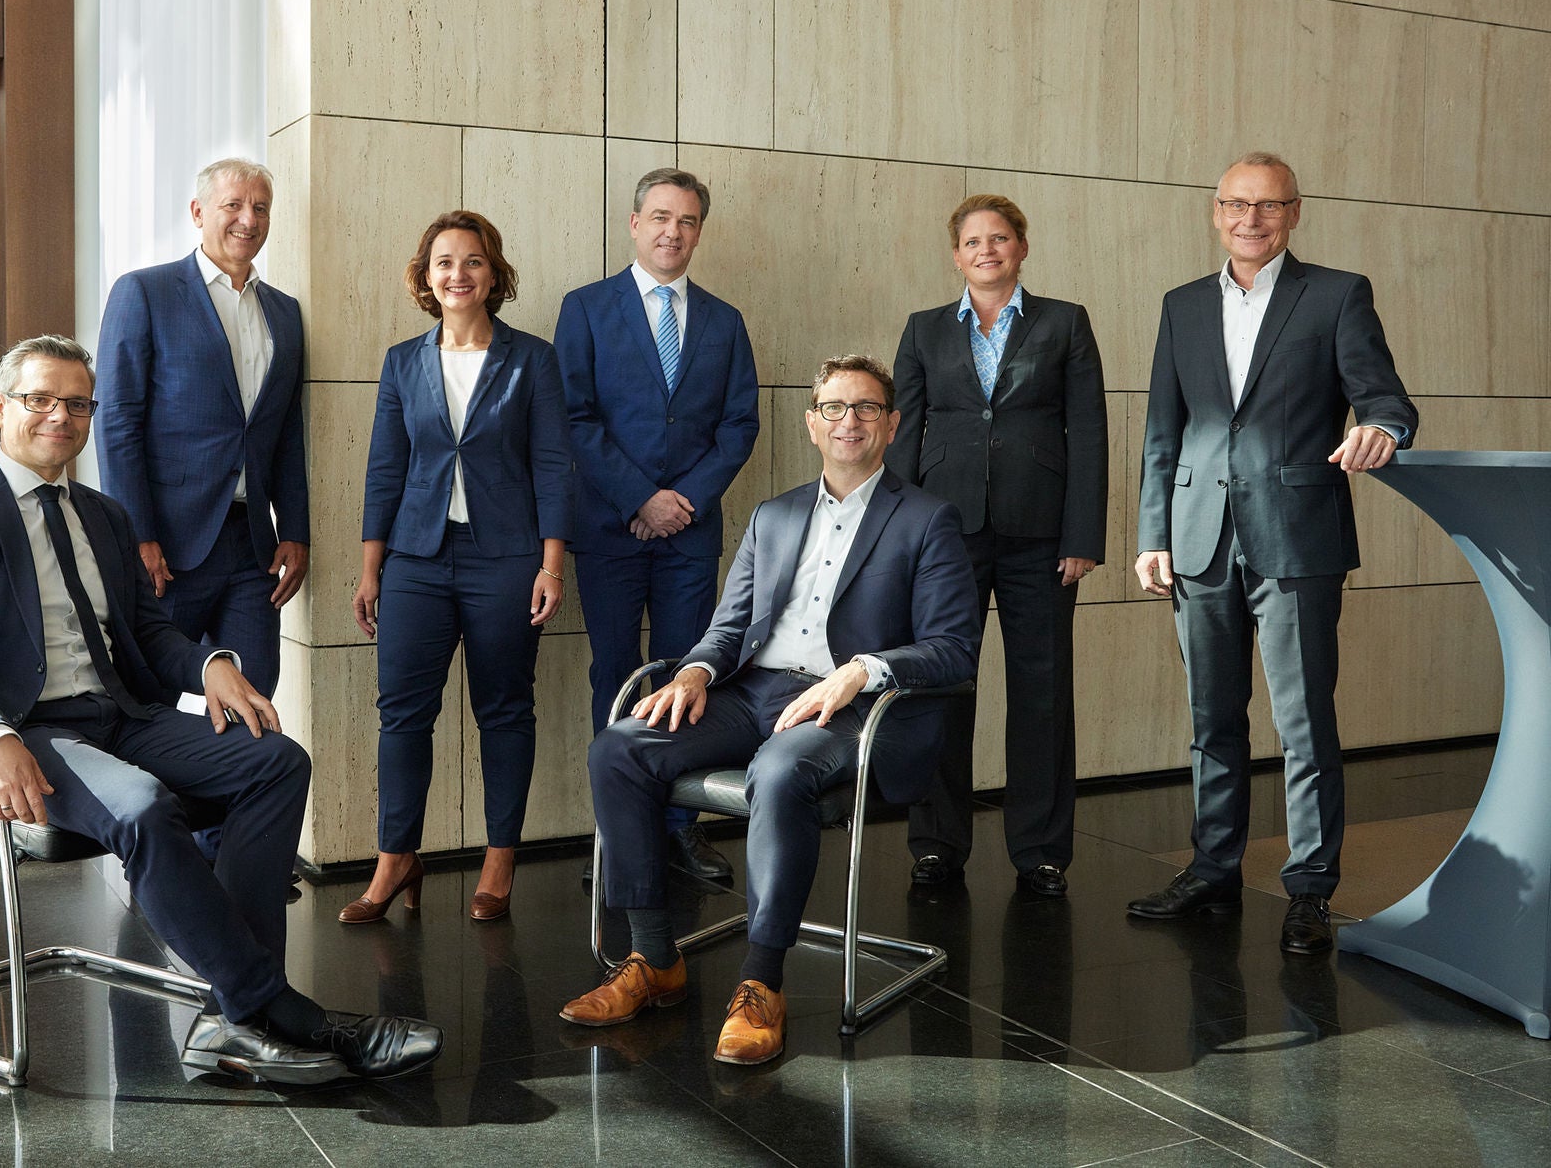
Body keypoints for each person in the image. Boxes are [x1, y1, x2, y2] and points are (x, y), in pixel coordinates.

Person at [0, 335, 441, 1084]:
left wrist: (211, 666)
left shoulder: (104, 516)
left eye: (77, 404)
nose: (60, 416)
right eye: (39, 399)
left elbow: (148, 632)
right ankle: (277, 1013)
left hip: (118, 713)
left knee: (276, 761)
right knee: (143, 806)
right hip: (25, 729)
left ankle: (234, 1015)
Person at [562, 355, 980, 1066]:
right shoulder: (774, 515)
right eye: (835, 408)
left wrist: (860, 670)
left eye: (867, 408)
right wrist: (695, 671)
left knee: (781, 772)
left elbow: (954, 649)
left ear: (892, 424)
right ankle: (654, 958)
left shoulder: (927, 519)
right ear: (813, 423)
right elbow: (729, 627)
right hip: (752, 692)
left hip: (850, 709)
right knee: (621, 748)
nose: (849, 421)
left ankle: (761, 981)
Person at [1132, 152, 1416, 956]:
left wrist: (1381, 428)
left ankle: (1310, 887)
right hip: (1198, 538)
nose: (1250, 219)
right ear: (1215, 210)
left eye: (1267, 205)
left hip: (1298, 537)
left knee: (1303, 721)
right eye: (1236, 204)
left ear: (1294, 212)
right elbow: (1163, 429)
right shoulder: (1182, 304)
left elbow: (1385, 397)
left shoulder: (1336, 294)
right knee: (1211, 718)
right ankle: (1213, 868)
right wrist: (1154, 532)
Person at [347, 211, 573, 924]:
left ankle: (500, 857)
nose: (458, 274)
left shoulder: (532, 359)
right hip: (415, 557)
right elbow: (385, 469)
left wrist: (552, 565)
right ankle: (395, 858)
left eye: (472, 261)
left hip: (506, 557)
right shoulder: (401, 361)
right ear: (426, 276)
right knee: (401, 713)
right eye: (443, 262)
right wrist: (371, 569)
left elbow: (553, 466)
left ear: (493, 273)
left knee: (504, 708)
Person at [887, 194, 1108, 898]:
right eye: (973, 241)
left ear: (1022, 246)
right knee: (939, 685)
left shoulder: (1064, 322)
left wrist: (1082, 534)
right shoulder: (923, 329)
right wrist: (898, 534)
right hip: (943, 534)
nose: (987, 250)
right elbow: (904, 433)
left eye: (1001, 238)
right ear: (956, 255)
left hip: (1040, 534)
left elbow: (1089, 432)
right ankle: (936, 843)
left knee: (1042, 691)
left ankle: (1041, 851)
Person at [555, 168, 760, 885]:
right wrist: (641, 498)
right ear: (635, 223)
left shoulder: (725, 321)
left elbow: (739, 426)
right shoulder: (585, 308)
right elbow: (575, 417)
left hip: (691, 535)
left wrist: (682, 502)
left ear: (699, 231)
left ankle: (680, 830)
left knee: (686, 675)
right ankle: (621, 836)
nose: (675, 231)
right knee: (614, 674)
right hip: (610, 530)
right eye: (663, 217)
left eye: (689, 220)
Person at [95, 157, 307, 699]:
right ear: (197, 212)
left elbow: (285, 431)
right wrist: (138, 536)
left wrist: (295, 529)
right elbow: (117, 423)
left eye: (261, 208)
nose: (248, 219)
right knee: (147, 696)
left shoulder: (284, 313)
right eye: (233, 205)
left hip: (252, 546)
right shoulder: (145, 292)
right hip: (169, 546)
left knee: (253, 697)